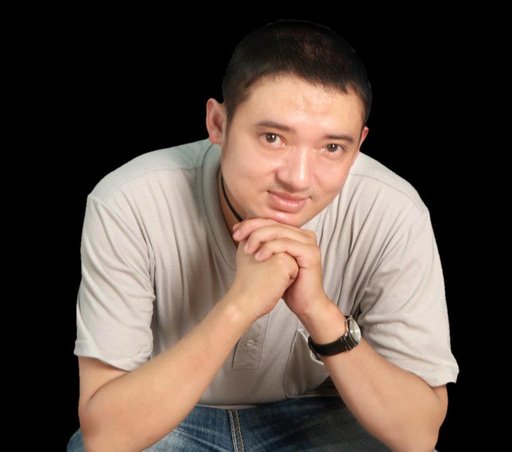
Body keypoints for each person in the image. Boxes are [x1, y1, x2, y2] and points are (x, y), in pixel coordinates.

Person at [68, 20, 458, 452]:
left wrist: (319, 312)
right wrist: (240, 305)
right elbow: (106, 436)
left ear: (358, 145)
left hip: (320, 418)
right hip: (172, 419)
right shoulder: (130, 200)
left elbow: (417, 433)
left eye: (332, 148)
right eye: (273, 138)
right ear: (218, 123)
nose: (298, 178)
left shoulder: (393, 209)